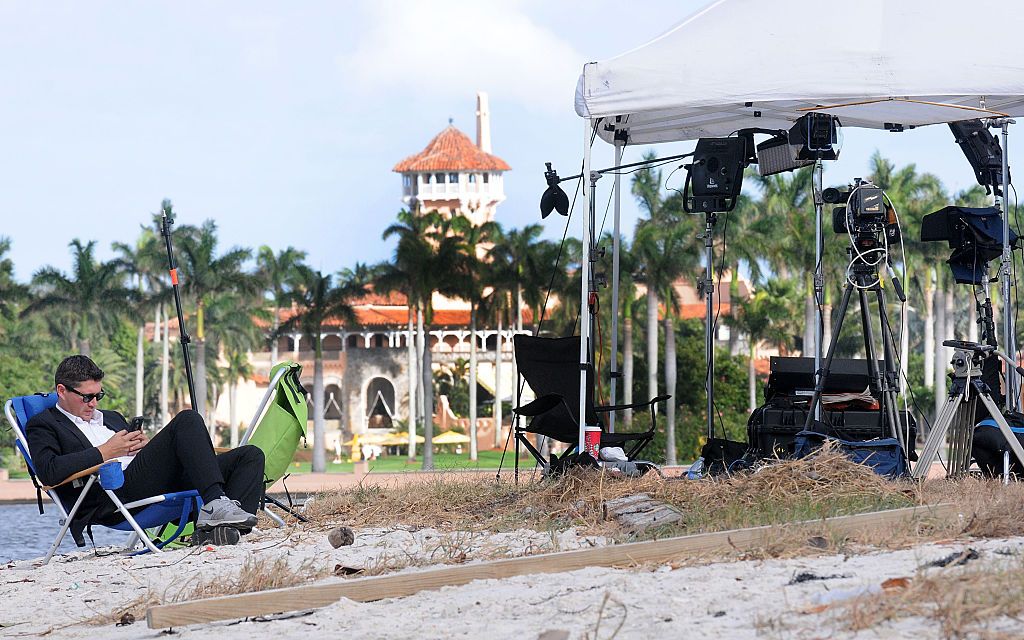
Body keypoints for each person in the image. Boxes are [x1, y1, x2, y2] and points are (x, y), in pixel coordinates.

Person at [26, 355, 265, 547]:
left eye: (98, 395)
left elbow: (142, 459)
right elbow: (49, 472)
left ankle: (222, 533)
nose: (94, 403)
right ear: (61, 390)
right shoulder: (44, 424)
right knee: (186, 419)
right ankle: (214, 503)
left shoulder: (110, 418)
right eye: (87, 397)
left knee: (250, 456)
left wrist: (144, 448)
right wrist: (107, 451)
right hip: (113, 494)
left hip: (150, 482)